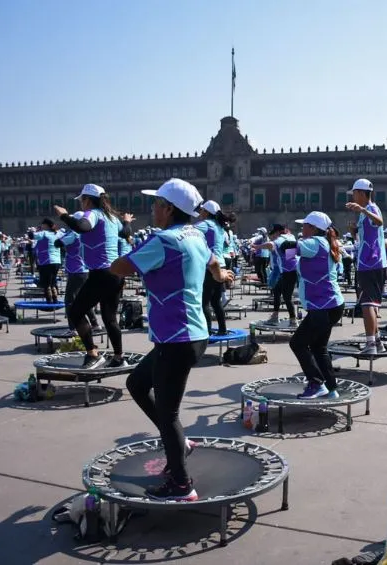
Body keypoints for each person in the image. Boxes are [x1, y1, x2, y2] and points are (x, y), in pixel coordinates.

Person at [116, 179, 234, 500]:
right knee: (137, 384)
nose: (152, 209)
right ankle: (180, 444)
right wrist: (221, 275)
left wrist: (126, 235)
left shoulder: (164, 241)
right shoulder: (196, 235)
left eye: (156, 204)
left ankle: (181, 485)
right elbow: (213, 261)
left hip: (176, 340)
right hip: (191, 336)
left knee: (168, 415)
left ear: (168, 209)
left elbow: (118, 267)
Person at [55, 184, 132, 369]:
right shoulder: (112, 217)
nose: (82, 204)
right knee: (110, 318)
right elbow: (126, 233)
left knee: (75, 312)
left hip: (101, 274)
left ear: (87, 200)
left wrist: (64, 215)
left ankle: (92, 353)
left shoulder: (94, 214)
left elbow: (82, 227)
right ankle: (119, 357)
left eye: (82, 200)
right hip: (116, 274)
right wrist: (128, 221)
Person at [288, 211, 346, 399]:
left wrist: (276, 242)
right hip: (330, 305)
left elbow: (291, 247)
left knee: (297, 343)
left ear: (312, 228)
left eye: (304, 225)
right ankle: (331, 388)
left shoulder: (315, 242)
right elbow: (290, 258)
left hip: (323, 307)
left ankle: (316, 383)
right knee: (319, 348)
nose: (301, 228)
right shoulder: (321, 243)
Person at [346, 178, 387, 355]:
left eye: (354, 193)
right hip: (368, 262)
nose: (353, 196)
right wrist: (355, 231)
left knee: (367, 304)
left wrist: (362, 209)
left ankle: (370, 344)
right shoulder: (364, 213)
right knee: (370, 303)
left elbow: (379, 221)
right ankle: (377, 342)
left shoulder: (370, 208)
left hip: (371, 263)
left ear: (362, 193)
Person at [195, 200, 235, 335]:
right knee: (216, 301)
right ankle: (222, 330)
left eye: (202, 211)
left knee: (204, 301)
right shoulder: (219, 226)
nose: (200, 213)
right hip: (221, 264)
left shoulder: (206, 224)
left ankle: (207, 330)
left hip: (211, 266)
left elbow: (189, 231)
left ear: (206, 212)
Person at [55, 215, 100, 332]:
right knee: (83, 299)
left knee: (69, 300)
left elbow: (57, 243)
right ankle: (94, 323)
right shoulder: (88, 233)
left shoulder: (74, 234)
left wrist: (61, 234)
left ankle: (73, 327)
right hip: (85, 269)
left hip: (76, 270)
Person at [254, 223, 298, 326]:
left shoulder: (279, 240)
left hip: (289, 272)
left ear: (278, 232)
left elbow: (270, 245)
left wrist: (257, 246)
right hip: (289, 270)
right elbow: (290, 256)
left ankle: (293, 319)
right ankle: (275, 316)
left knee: (287, 297)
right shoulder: (290, 237)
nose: (271, 236)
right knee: (277, 291)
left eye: (273, 234)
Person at [29, 218, 62, 303]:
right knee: (53, 282)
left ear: (46, 225)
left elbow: (31, 236)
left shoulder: (44, 233)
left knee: (46, 283)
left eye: (42, 224)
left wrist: (32, 230)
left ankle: (49, 301)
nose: (41, 226)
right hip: (57, 261)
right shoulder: (57, 233)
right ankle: (55, 300)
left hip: (47, 261)